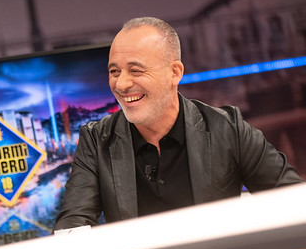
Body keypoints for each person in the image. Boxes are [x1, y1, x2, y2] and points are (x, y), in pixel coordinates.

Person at [54, 17, 303, 230]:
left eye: (136, 70)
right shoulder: (96, 141)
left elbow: (293, 201)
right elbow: (72, 225)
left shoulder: (227, 128)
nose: (121, 84)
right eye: (114, 71)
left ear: (175, 72)